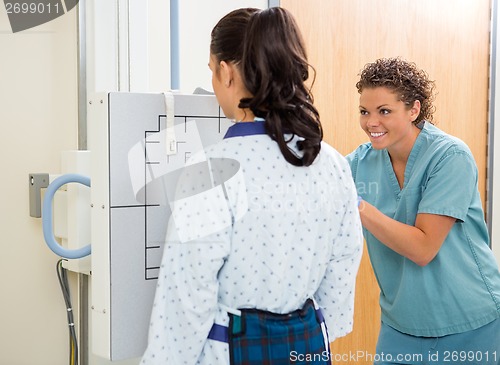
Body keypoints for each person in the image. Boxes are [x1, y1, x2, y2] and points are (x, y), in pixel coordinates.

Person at [140, 7, 363, 365]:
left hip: (232, 351)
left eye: (212, 71)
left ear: (226, 72)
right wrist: (315, 331)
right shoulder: (331, 163)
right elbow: (344, 261)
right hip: (306, 347)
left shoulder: (211, 171)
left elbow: (185, 300)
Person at [347, 57, 500, 365]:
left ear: (413, 110)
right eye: (364, 111)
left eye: (384, 111)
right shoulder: (358, 164)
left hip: (470, 321)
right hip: (402, 324)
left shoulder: (449, 156)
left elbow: (423, 248)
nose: (371, 122)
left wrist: (358, 205)